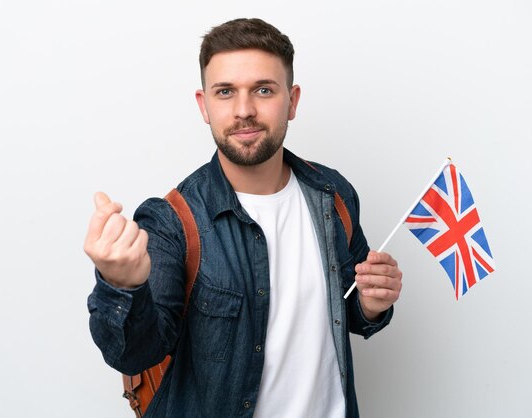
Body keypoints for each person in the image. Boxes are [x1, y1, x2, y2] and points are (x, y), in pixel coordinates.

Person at [85, 18, 402, 418]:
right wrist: (121, 285)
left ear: (292, 100)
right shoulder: (172, 221)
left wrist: (372, 305)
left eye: (264, 90)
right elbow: (133, 354)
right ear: (204, 105)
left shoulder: (333, 193)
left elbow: (347, 314)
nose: (244, 111)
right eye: (225, 92)